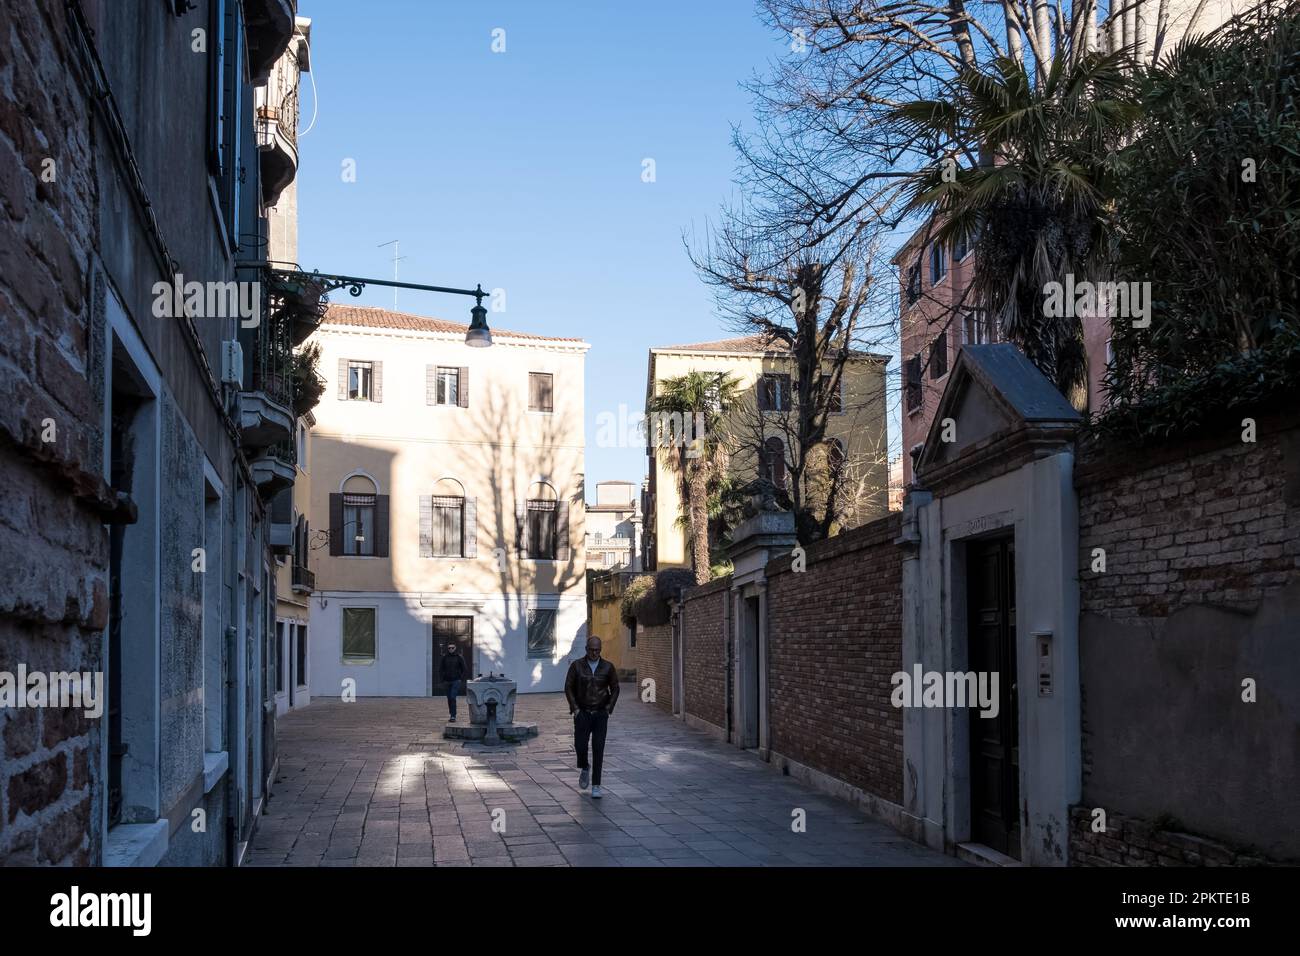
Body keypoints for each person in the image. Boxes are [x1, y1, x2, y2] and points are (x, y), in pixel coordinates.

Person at [563, 636, 620, 798]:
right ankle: (584, 766)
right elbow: (568, 687)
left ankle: (596, 785)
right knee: (580, 745)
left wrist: (609, 708)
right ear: (586, 649)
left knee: (598, 748)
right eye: (592, 650)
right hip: (583, 712)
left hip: (601, 714)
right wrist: (575, 709)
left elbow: (615, 688)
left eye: (597, 650)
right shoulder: (577, 666)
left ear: (600, 650)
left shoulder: (608, 667)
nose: (594, 653)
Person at [439, 643, 467, 721]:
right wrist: (442, 679)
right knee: (449, 698)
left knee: (452, 697)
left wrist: (460, 678)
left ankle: (453, 716)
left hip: (456, 681)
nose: (451, 649)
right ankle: (451, 713)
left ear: (455, 648)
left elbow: (464, 669)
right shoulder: (444, 657)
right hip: (447, 681)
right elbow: (441, 669)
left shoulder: (459, 657)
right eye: (449, 648)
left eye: (452, 648)